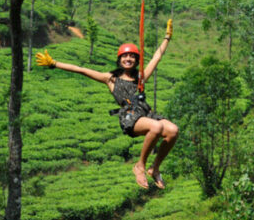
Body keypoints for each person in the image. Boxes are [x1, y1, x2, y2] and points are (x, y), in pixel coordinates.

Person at [35, 20, 178, 189]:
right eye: (125, 56)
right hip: (131, 116)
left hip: (146, 113)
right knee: (156, 128)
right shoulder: (111, 79)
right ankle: (140, 165)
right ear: (120, 60)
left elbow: (157, 57)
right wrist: (55, 64)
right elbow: (81, 70)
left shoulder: (141, 77)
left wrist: (167, 37)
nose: (128, 58)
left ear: (136, 59)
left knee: (173, 131)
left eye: (132, 56)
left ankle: (154, 168)